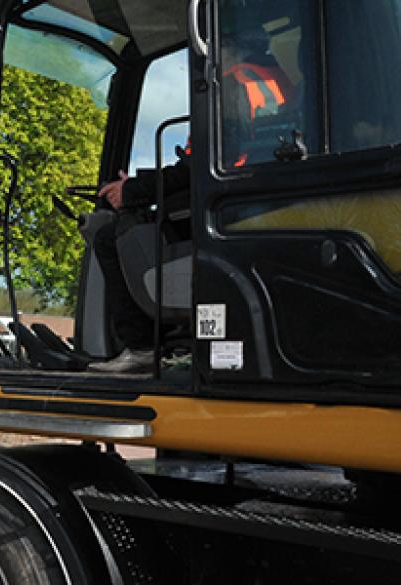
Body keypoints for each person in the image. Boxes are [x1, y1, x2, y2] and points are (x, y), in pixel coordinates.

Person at [90, 14, 291, 374]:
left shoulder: (231, 86)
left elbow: (200, 168)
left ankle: (140, 346)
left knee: (112, 235)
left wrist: (132, 191)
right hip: (254, 196)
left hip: (230, 206)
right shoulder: (273, 80)